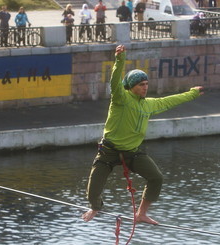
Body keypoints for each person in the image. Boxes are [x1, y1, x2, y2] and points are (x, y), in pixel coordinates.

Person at [81, 45, 204, 225]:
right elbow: (114, 82)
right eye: (141, 85)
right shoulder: (120, 99)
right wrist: (120, 59)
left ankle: (141, 214)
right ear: (132, 87)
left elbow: (170, 101)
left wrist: (192, 94)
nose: (145, 88)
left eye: (147, 84)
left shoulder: (148, 104)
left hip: (132, 152)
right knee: (92, 191)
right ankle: (96, 207)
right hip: (109, 152)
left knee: (156, 177)